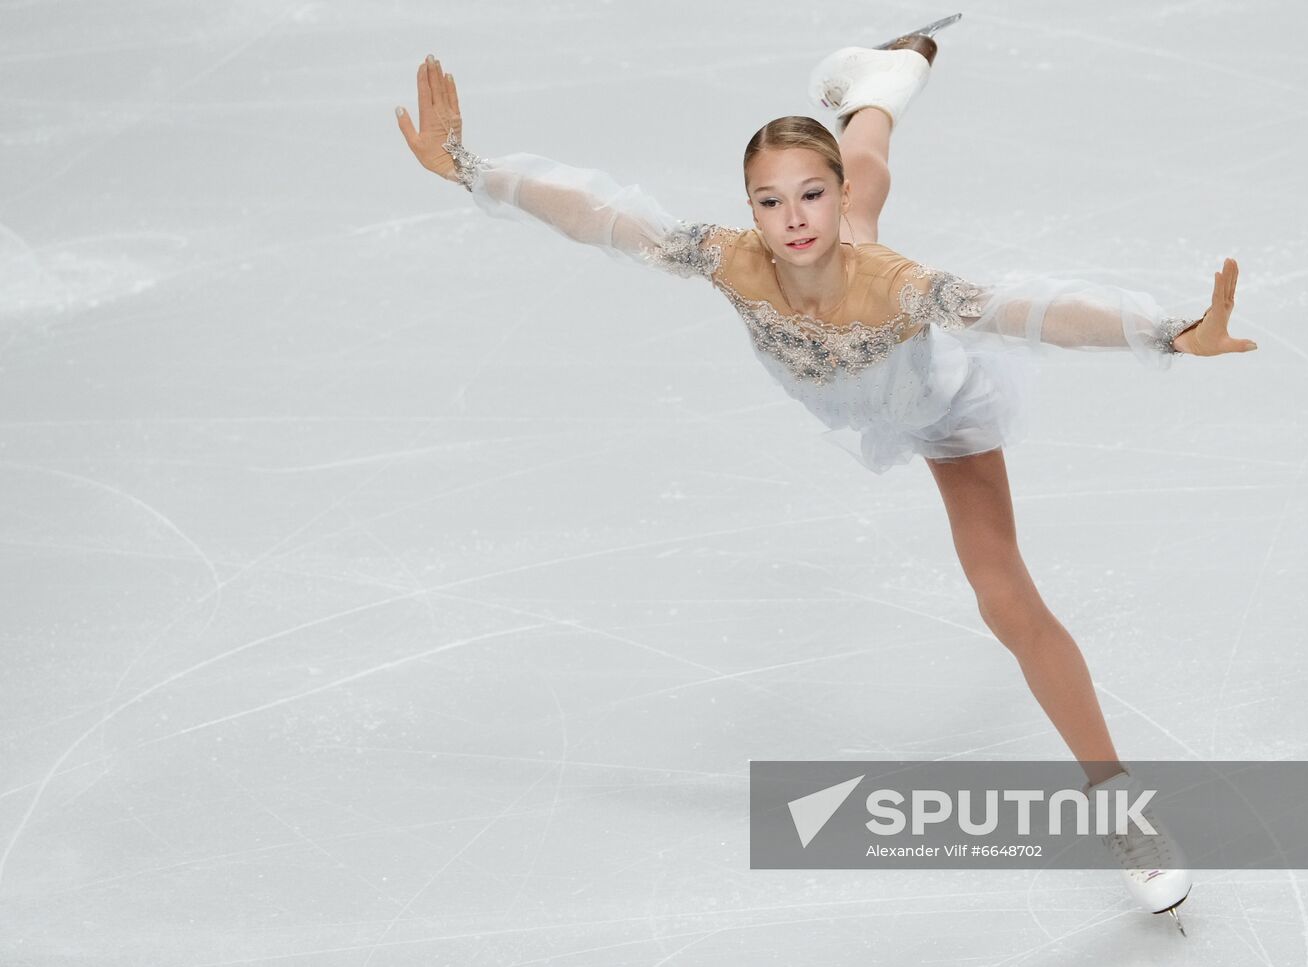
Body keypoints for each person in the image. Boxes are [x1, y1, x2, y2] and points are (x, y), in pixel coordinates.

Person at [394, 19, 1255, 934]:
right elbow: (602, 217)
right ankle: (877, 85)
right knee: (868, 198)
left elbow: (1022, 312)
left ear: (827, 198)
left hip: (939, 413)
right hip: (854, 379)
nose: (792, 217)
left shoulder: (894, 282)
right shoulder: (733, 258)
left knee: (1003, 596)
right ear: (750, 209)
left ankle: (1119, 805)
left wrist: (1163, 331)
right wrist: (471, 168)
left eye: (810, 195)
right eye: (770, 202)